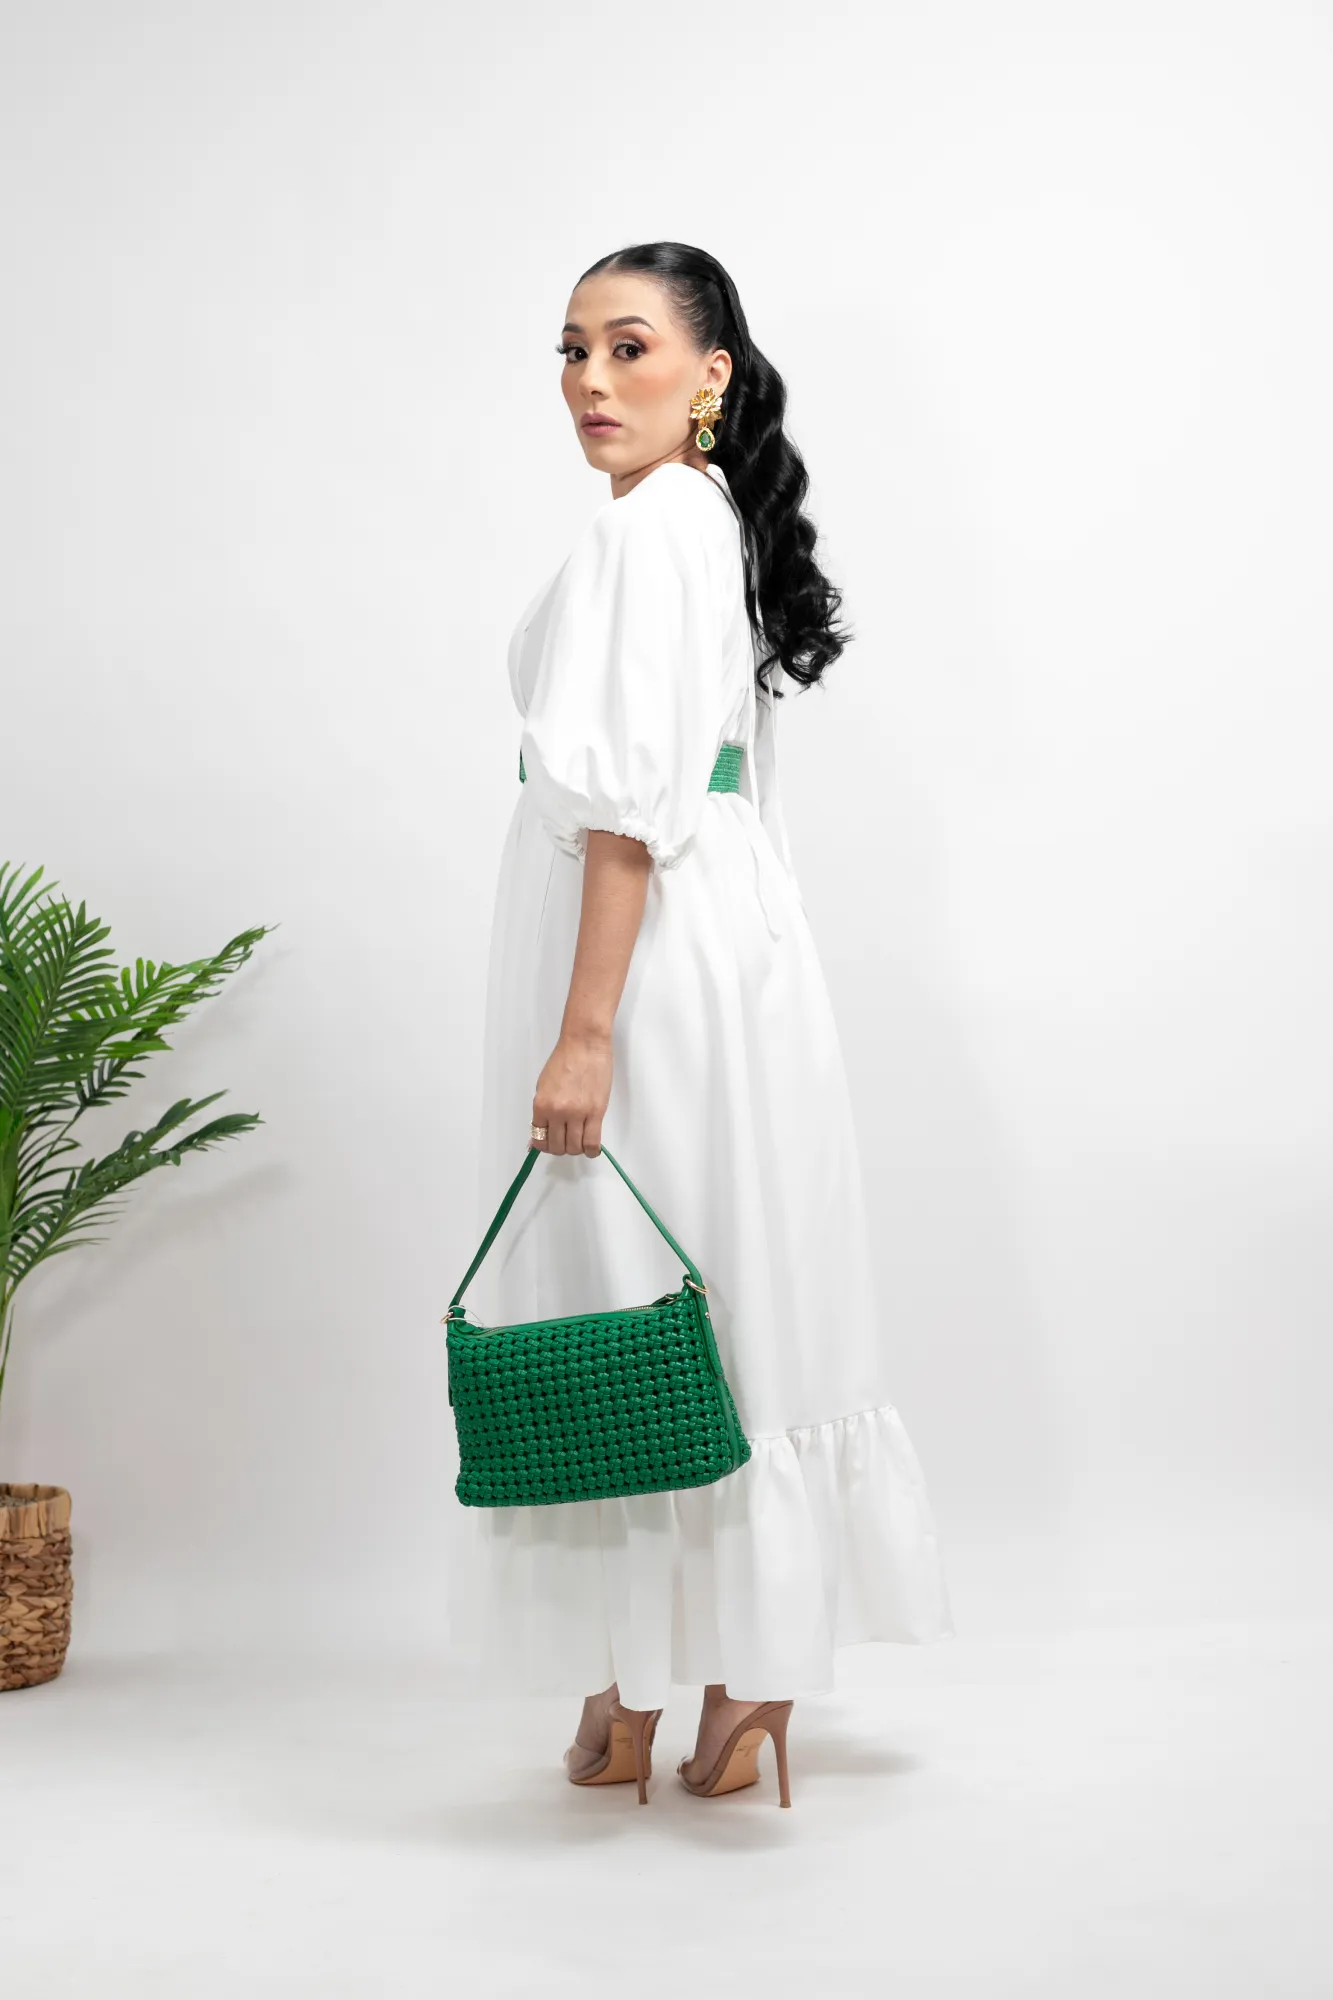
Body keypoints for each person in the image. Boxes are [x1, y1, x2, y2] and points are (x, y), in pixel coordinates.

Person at [448, 241, 954, 1807]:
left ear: (710, 372)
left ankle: (635, 1689)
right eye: (571, 350)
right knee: (727, 1279)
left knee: (621, 1287)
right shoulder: (707, 518)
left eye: (630, 347)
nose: (590, 382)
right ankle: (739, 1680)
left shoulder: (644, 527)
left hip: (642, 948)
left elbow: (621, 812)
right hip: (720, 936)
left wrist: (585, 1027)